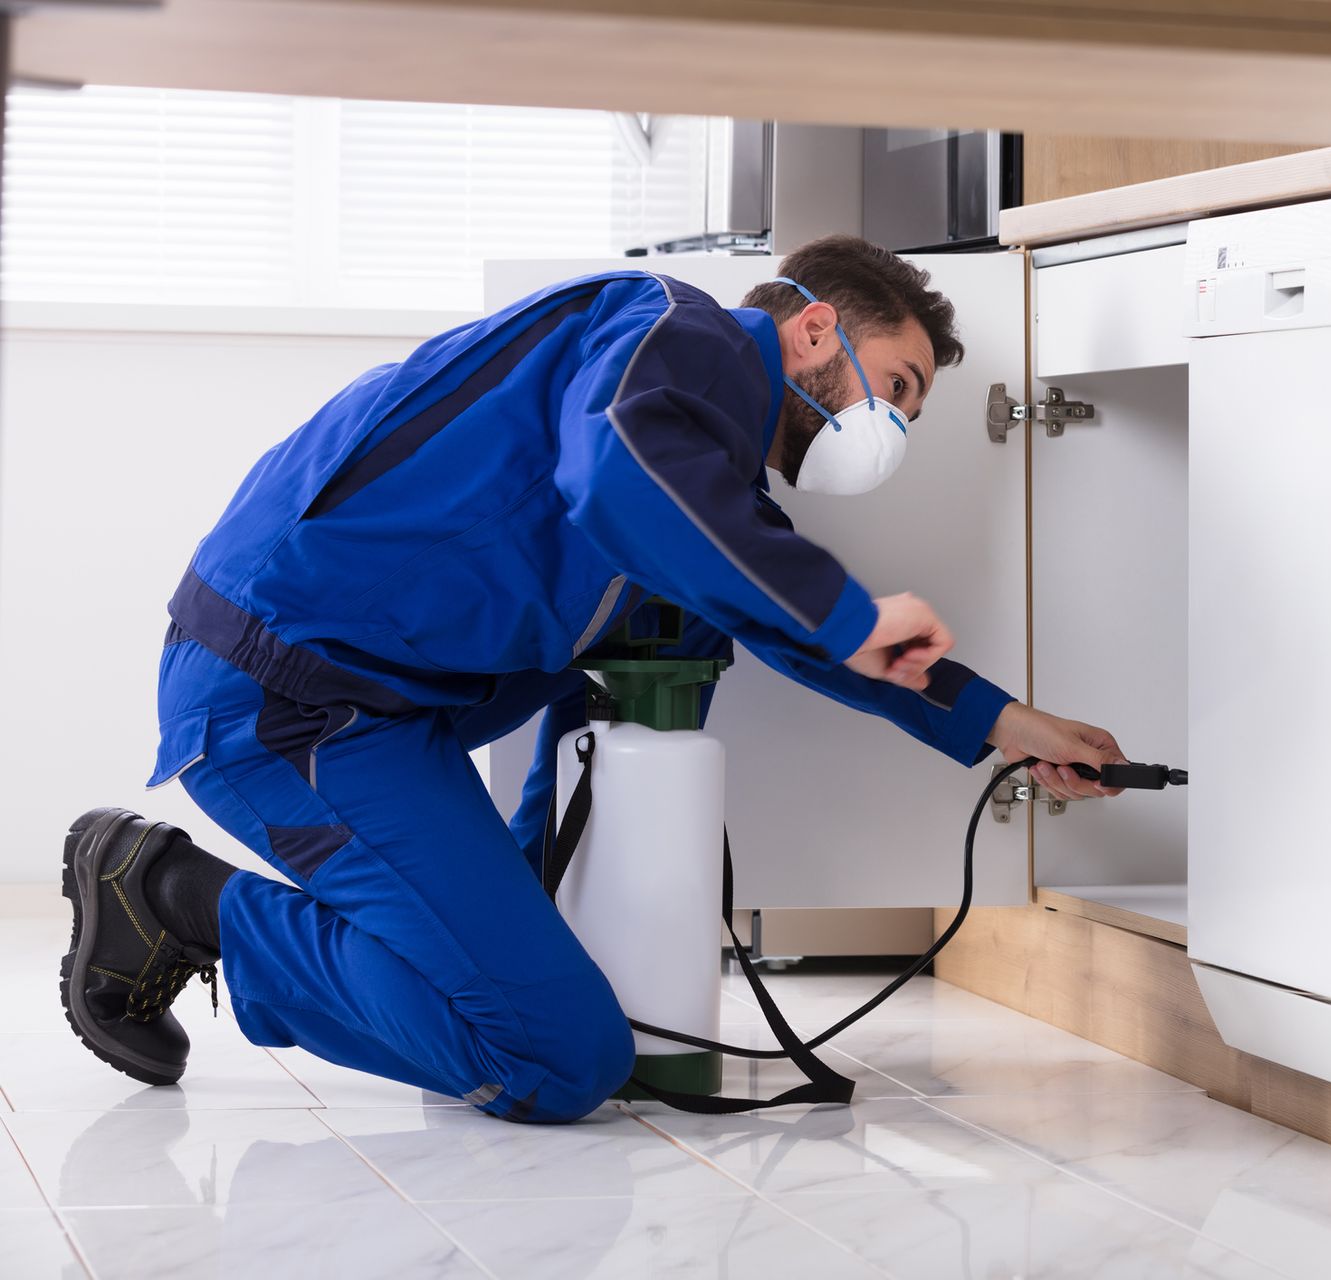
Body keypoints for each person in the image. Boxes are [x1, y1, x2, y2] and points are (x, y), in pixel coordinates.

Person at [58, 235, 1127, 1123]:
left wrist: (1011, 725)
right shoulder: (677, 333)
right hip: (277, 696)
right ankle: (174, 897)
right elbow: (620, 464)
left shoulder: (702, 482)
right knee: (557, 1056)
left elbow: (805, 637)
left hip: (386, 706)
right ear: (810, 330)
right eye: (895, 387)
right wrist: (849, 611)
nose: (890, 428)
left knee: (683, 623)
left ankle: (520, 924)